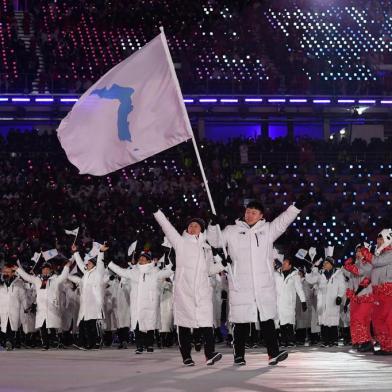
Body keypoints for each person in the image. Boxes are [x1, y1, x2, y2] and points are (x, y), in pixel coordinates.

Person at [208, 199, 308, 366]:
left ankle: (273, 354)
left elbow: (283, 221)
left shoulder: (268, 230)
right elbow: (215, 241)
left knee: (267, 319)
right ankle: (239, 355)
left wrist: (296, 207)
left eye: (254, 213)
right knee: (240, 321)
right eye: (247, 211)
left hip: (263, 284)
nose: (249, 215)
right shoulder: (232, 230)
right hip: (241, 283)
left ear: (261, 216)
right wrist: (212, 225)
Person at [154, 210, 225, 366]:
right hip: (184, 291)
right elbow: (167, 227)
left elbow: (209, 270)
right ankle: (186, 356)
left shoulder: (206, 248)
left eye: (196, 226)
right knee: (184, 324)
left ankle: (210, 354)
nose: (192, 228)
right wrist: (157, 213)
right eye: (190, 226)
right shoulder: (180, 242)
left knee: (207, 323)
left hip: (202, 291)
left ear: (201, 229)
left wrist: (222, 264)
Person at [108, 251, 172, 354]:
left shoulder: (154, 271)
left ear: (149, 260)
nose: (141, 260)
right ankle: (139, 346)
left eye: (143, 258)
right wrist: (110, 263)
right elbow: (121, 271)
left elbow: (166, 273)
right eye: (140, 258)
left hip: (150, 303)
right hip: (137, 304)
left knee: (149, 325)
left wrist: (173, 267)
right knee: (138, 325)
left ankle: (149, 344)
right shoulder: (134, 271)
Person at [15, 260, 70, 350]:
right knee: (42, 326)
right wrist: (18, 269)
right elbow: (27, 277)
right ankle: (45, 344)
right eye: (44, 269)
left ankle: (57, 341)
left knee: (53, 326)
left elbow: (63, 276)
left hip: (52, 307)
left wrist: (67, 267)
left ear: (51, 270)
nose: (45, 271)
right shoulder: (37, 280)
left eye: (47, 269)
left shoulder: (55, 280)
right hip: (41, 308)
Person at [68, 243, 108, 349]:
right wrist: (75, 252)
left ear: (94, 264)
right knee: (87, 325)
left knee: (93, 325)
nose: (87, 264)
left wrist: (101, 252)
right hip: (86, 304)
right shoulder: (86, 273)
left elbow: (100, 263)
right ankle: (89, 344)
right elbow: (80, 263)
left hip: (94, 304)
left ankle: (96, 343)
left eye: (89, 262)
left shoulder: (98, 272)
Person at [360, 228, 392, 355]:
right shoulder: (380, 254)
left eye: (380, 238)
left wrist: (366, 253)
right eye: (378, 239)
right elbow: (372, 269)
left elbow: (375, 262)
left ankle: (390, 346)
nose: (378, 241)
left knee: (388, 319)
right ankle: (386, 346)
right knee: (377, 319)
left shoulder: (390, 253)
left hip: (388, 291)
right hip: (378, 291)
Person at [306, 256, 346, 347]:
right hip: (322, 301)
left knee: (333, 320)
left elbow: (342, 286)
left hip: (333, 300)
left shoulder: (338, 273)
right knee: (323, 321)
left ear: (331, 264)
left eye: (326, 263)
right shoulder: (320, 274)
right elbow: (311, 280)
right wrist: (309, 271)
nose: (324, 264)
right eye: (324, 263)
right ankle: (325, 341)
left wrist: (339, 296)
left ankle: (334, 340)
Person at [343, 242, 374, 352]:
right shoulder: (355, 265)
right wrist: (347, 300)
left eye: (360, 251)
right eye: (356, 251)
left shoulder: (369, 263)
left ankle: (366, 342)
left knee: (361, 319)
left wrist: (349, 266)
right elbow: (351, 283)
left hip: (366, 296)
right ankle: (359, 341)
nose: (358, 253)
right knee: (354, 320)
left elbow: (361, 272)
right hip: (356, 298)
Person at [274, 257, 306, 347]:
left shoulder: (295, 276)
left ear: (290, 265)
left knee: (289, 323)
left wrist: (303, 301)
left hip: (289, 303)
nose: (283, 265)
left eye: (285, 264)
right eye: (283, 263)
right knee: (281, 323)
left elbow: (299, 289)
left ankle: (291, 340)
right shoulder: (277, 274)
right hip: (279, 302)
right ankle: (283, 340)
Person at [0, 265, 25, 350]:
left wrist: (26, 306)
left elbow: (23, 296)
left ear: (13, 273)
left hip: (14, 308)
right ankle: (6, 342)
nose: (6, 273)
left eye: (8, 272)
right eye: (4, 272)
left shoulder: (19, 282)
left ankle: (9, 342)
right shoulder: (1, 283)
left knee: (11, 325)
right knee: (3, 326)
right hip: (2, 308)